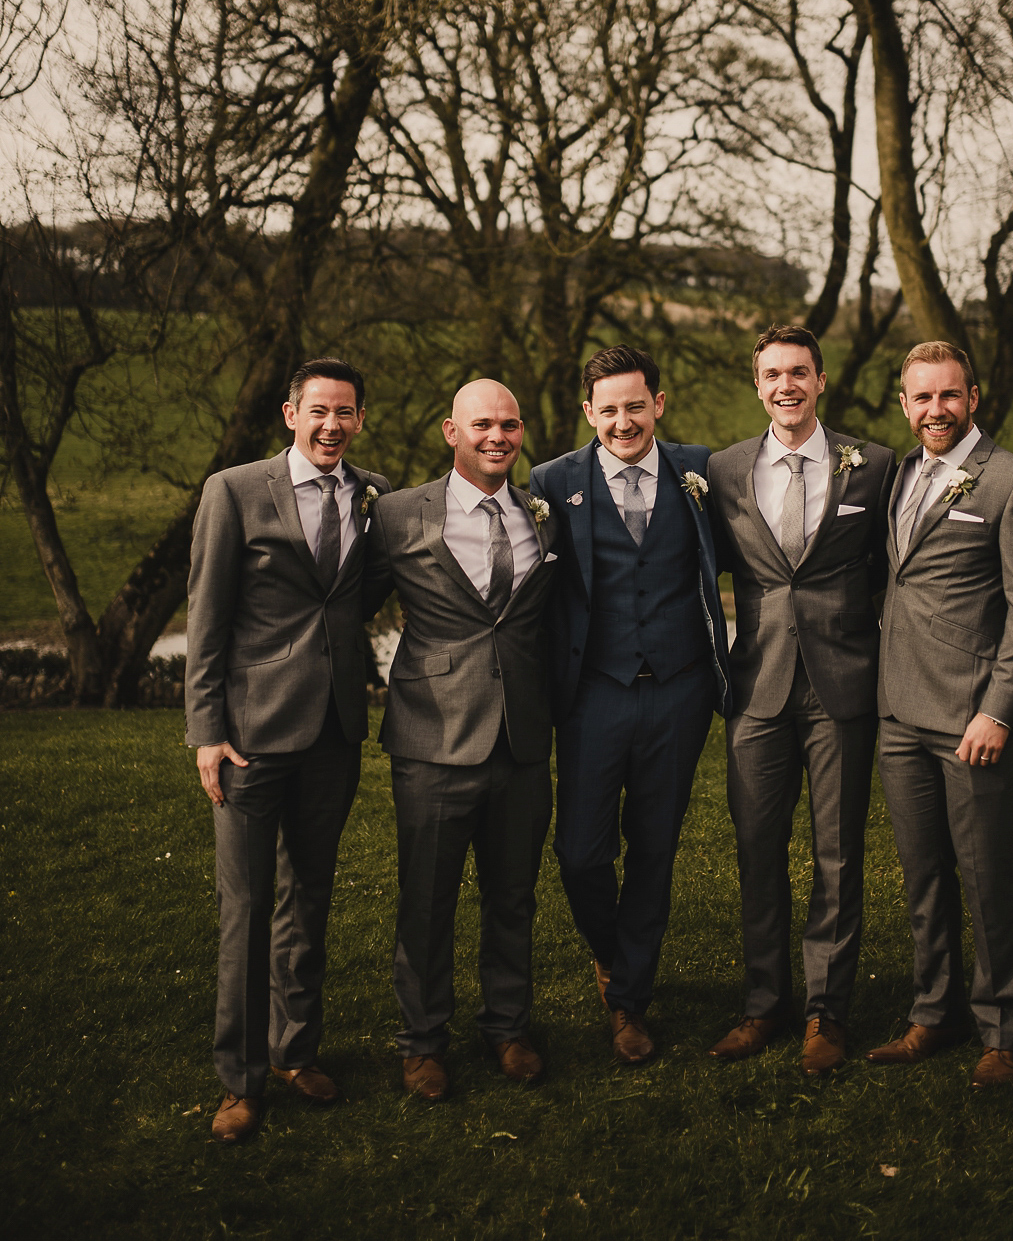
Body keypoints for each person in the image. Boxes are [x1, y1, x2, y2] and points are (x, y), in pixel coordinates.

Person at [185, 358, 391, 1144]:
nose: (332, 425)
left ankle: (294, 1050)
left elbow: (359, 594)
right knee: (244, 908)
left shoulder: (373, 495)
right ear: (289, 414)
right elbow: (206, 618)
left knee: (309, 897)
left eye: (345, 412)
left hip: (334, 733)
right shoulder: (234, 491)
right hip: (248, 739)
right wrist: (206, 729)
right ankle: (238, 1082)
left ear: (359, 419)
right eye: (319, 412)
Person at [529, 345, 730, 1065]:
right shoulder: (552, 481)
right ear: (590, 412)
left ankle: (628, 1003)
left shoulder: (699, 471)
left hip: (679, 691)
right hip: (592, 695)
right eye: (608, 409)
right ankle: (612, 953)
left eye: (635, 406)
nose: (623, 421)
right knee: (580, 852)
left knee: (654, 849)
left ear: (659, 405)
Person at [705, 324, 896, 1073]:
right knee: (757, 851)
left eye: (800, 373)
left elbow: (892, 566)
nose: (787, 385)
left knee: (839, 856)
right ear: (757, 386)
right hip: (756, 685)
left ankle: (826, 1013)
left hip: (842, 685)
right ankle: (762, 1006)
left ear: (821, 381)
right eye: (773, 374)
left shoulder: (872, 465)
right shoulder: (723, 471)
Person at [867, 340, 1013, 1087]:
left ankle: (1009, 1029)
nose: (934, 410)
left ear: (972, 398)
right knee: (924, 878)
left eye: (948, 396)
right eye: (920, 398)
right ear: (905, 403)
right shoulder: (900, 474)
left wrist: (1000, 712)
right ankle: (931, 1015)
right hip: (898, 714)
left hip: (972, 721)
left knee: (986, 876)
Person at [363, 379, 560, 1102]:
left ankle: (508, 1028)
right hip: (431, 736)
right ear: (451, 431)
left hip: (521, 735)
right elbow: (349, 602)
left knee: (513, 896)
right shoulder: (396, 514)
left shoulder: (543, 515)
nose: (498, 437)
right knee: (428, 897)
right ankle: (422, 1042)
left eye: (509, 425)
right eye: (482, 425)